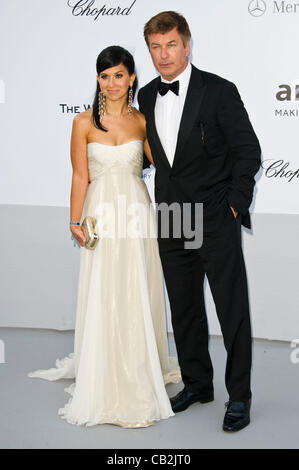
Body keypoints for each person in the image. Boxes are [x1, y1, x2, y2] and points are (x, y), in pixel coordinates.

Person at [28, 45, 181, 428]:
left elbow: (165, 166)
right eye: (104, 75)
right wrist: (74, 221)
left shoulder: (144, 121)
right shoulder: (82, 122)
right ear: (97, 79)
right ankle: (103, 367)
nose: (111, 83)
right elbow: (80, 175)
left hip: (136, 213)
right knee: (104, 288)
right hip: (100, 214)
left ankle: (139, 365)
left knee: (136, 287)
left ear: (131, 78)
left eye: (118, 75)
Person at [138, 11, 261, 432]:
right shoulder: (148, 95)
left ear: (187, 46)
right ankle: (197, 384)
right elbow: (157, 158)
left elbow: (249, 151)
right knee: (185, 307)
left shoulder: (219, 91)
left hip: (214, 215)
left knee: (231, 309)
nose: (163, 55)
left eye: (171, 45)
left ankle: (239, 397)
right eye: (155, 47)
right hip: (172, 214)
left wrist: (233, 205)